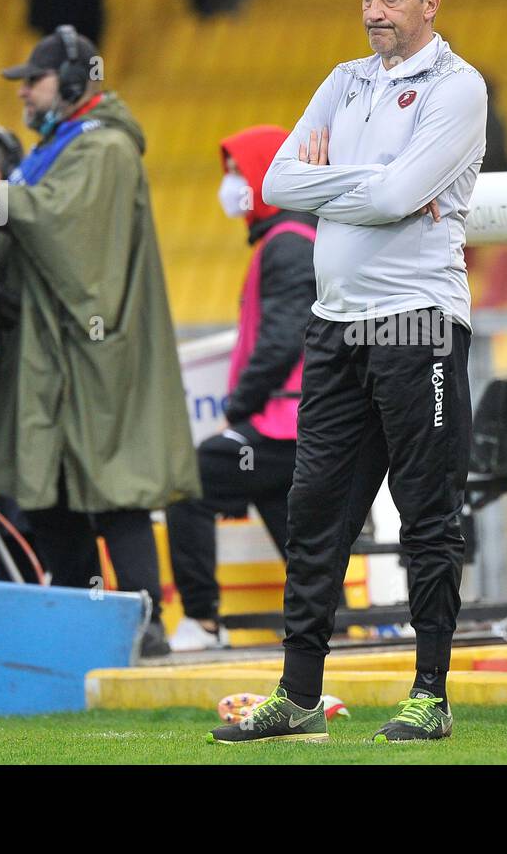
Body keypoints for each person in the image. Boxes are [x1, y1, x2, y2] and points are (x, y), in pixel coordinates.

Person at [208, 0, 487, 745]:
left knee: (428, 512)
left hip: (418, 324)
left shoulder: (458, 88)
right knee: (314, 510)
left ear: (430, 2)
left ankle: (430, 695)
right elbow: (278, 180)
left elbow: (395, 194)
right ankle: (299, 699)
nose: (375, 11)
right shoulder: (342, 80)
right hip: (335, 327)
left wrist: (353, 186)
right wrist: (376, 185)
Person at [0, 26, 200, 657]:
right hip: (49, 352)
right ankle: (78, 617)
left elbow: (61, 227)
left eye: (30, 83)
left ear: (66, 82)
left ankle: (145, 624)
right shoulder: (61, 146)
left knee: (115, 491)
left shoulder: (106, 148)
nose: (23, 97)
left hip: (94, 353)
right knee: (48, 489)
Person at [166, 124, 318, 652]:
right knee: (287, 521)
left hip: (283, 422)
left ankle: (203, 622)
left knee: (189, 482)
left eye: (236, 172)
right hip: (289, 423)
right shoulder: (289, 240)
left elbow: (280, 340)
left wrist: (239, 405)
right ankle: (321, 622)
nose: (229, 185)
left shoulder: (287, 245)